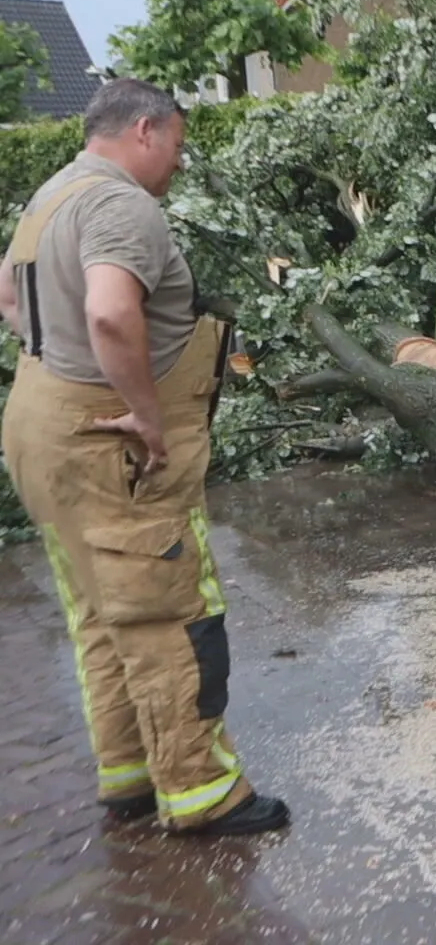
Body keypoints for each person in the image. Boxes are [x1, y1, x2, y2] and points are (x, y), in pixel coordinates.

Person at [0, 79, 289, 836]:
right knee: (166, 609)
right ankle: (203, 794)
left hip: (41, 426)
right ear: (145, 131)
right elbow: (107, 307)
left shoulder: (51, 196)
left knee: (102, 608)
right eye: (179, 147)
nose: (178, 165)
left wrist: (59, 359)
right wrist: (145, 411)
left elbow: (7, 296)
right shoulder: (122, 204)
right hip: (110, 442)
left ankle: (127, 774)